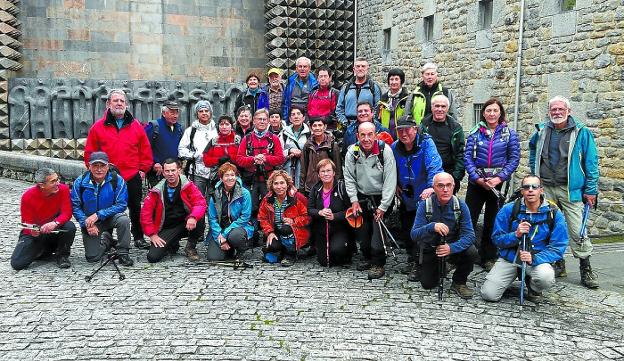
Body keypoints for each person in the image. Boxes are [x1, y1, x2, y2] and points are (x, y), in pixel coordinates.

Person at [529, 96, 600, 289]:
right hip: (546, 188)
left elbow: (591, 162)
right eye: (554, 110)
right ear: (549, 111)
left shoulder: (581, 133)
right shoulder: (542, 130)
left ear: (569, 111)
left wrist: (591, 189)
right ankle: (558, 263)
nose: (557, 113)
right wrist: (535, 175)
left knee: (577, 230)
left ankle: (585, 266)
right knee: (548, 227)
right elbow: (533, 150)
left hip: (570, 190)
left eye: (561, 109)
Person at [481, 175, 569, 302]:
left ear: (541, 190)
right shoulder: (508, 209)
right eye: (526, 187)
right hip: (510, 257)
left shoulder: (554, 213)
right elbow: (496, 239)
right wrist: (515, 235)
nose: (530, 190)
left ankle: (533, 287)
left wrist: (534, 258)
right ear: (522, 191)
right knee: (489, 294)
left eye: (535, 187)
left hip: (536, 259)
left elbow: (558, 247)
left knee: (546, 277)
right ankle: (511, 276)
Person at [84, 89, 153, 250]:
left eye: (122, 101)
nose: (119, 103)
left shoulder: (136, 126)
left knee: (135, 207)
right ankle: (107, 237)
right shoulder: (97, 127)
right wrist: (96, 172)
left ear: (127, 104)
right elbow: (89, 153)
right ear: (108, 104)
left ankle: (138, 236)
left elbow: (145, 149)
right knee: (106, 207)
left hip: (131, 174)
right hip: (108, 177)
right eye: (115, 101)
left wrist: (143, 169)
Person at [464, 98, 520, 272]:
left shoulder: (509, 134)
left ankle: (488, 256)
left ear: (500, 113)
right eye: (488, 110)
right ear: (483, 113)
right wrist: (477, 178)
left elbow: (514, 159)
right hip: (477, 182)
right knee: (469, 218)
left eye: (495, 110)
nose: (492, 114)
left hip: (497, 184)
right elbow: (467, 158)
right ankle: (466, 253)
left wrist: (499, 178)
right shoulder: (475, 133)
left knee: (492, 220)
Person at [392, 115, 443, 281]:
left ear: (416, 129)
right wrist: (395, 185)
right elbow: (390, 169)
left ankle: (420, 263)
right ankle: (412, 257)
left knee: (421, 230)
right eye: (400, 130)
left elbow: (434, 166)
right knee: (407, 228)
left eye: (407, 129)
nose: (404, 133)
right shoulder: (395, 147)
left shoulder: (426, 144)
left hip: (423, 196)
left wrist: (430, 187)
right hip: (406, 197)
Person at [410, 172, 477, 299]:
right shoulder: (425, 205)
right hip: (432, 247)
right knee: (428, 284)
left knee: (471, 251)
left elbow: (470, 236)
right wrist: (432, 226)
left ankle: (459, 281)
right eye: (440, 186)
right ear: (434, 188)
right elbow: (414, 234)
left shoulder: (461, 206)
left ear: (453, 186)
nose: (445, 189)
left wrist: (451, 248)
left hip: (452, 246)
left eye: (448, 185)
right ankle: (442, 266)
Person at [344, 122, 397, 279]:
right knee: (363, 233)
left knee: (377, 234)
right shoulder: (352, 152)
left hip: (381, 197)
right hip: (361, 196)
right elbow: (349, 177)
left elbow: (390, 180)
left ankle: (378, 263)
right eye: (363, 135)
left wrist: (383, 206)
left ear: (375, 134)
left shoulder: (385, 151)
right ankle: (367, 257)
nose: (366, 138)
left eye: (370, 134)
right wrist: (353, 200)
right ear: (357, 136)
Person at [71, 151, 134, 266]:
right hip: (89, 220)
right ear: (89, 166)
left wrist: (99, 214)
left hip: (111, 217)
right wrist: (86, 223)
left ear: (108, 166)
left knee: (124, 220)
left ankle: (123, 252)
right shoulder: (79, 182)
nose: (99, 169)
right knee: (92, 257)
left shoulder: (117, 180)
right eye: (95, 166)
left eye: (102, 166)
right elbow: (75, 207)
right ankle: (107, 240)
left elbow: (121, 205)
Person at [140, 159, 207, 263]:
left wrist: (193, 217)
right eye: (167, 171)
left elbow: (200, 203)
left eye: (173, 170)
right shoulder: (156, 191)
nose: (170, 174)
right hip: (167, 226)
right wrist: (152, 234)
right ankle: (172, 243)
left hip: (186, 222)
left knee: (199, 216)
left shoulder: (188, 186)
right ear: (163, 172)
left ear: (179, 170)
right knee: (153, 257)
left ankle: (191, 247)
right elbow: (145, 214)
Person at [11, 168, 76, 270]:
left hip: (55, 229)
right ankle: (44, 251)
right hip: (37, 233)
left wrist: (54, 223)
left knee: (69, 226)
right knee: (17, 264)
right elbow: (26, 223)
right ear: (42, 185)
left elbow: (67, 212)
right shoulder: (28, 196)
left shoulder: (63, 189)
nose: (57, 183)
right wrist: (34, 232)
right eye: (53, 181)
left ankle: (62, 255)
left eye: (57, 179)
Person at [236, 108, 286, 215]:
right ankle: (253, 229)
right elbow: (239, 160)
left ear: (268, 121)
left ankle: (268, 229)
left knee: (269, 206)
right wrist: (253, 159)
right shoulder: (247, 138)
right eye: (259, 119)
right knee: (250, 206)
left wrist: (265, 158)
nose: (262, 121)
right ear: (254, 121)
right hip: (250, 180)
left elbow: (280, 159)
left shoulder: (274, 138)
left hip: (268, 179)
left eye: (264, 119)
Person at [258, 170, 311, 266]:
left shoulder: (297, 198)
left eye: (282, 183)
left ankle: (291, 253)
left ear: (287, 184)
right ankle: (281, 250)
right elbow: (262, 218)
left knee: (286, 229)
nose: (279, 187)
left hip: (295, 231)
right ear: (272, 185)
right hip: (276, 231)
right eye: (276, 183)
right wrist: (269, 232)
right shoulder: (267, 199)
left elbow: (308, 216)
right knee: (272, 249)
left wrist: (294, 221)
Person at [308, 159, 353, 266]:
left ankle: (347, 250)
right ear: (318, 174)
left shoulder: (342, 187)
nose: (326, 174)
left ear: (334, 173)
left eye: (328, 171)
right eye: (322, 171)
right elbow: (309, 209)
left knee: (337, 251)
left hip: (339, 228)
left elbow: (351, 210)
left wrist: (335, 216)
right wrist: (320, 212)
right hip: (322, 229)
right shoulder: (315, 189)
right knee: (324, 262)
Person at [206, 163, 254, 261]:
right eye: (226, 175)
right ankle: (229, 249)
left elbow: (245, 217)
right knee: (214, 257)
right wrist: (219, 238)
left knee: (235, 236)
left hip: (240, 228)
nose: (230, 178)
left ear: (236, 177)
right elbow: (212, 218)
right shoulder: (215, 194)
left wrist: (225, 234)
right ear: (221, 178)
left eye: (232, 175)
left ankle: (240, 249)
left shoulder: (244, 193)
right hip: (221, 229)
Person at [420, 94, 465, 194]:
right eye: (437, 106)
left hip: (448, 175)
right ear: (431, 107)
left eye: (443, 106)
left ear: (447, 108)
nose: (440, 109)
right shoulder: (423, 126)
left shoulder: (455, 128)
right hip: (427, 175)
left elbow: (460, 154)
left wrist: (455, 177)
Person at [178, 100, 218, 197]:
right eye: (201, 111)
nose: (204, 113)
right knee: (196, 200)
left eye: (206, 110)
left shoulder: (218, 129)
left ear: (210, 113)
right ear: (197, 114)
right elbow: (181, 150)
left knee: (214, 202)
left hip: (215, 172)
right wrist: (194, 155)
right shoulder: (190, 131)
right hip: (197, 172)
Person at [144, 100, 184, 187]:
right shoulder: (154, 126)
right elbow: (143, 147)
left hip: (173, 172)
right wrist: (153, 163)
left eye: (177, 113)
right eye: (172, 113)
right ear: (164, 113)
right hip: (157, 172)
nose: (175, 116)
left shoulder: (179, 128)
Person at [299, 117, 343, 195]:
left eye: (320, 125)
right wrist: (302, 188)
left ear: (325, 127)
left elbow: (338, 168)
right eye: (315, 126)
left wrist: (337, 186)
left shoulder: (332, 145)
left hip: (329, 185)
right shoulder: (307, 145)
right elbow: (303, 168)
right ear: (310, 127)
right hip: (311, 186)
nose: (317, 128)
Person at [336, 57, 382, 128]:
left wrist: (372, 122)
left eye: (363, 66)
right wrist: (344, 123)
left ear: (367, 69)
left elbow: (378, 107)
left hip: (368, 126)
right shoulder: (345, 88)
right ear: (354, 69)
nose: (360, 68)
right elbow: (339, 108)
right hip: (349, 126)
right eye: (358, 66)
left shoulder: (374, 87)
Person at [202, 115, 241, 195]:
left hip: (235, 176)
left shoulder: (238, 140)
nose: (224, 127)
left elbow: (242, 157)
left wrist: (230, 158)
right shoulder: (214, 141)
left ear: (231, 126)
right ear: (218, 126)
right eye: (221, 124)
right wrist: (218, 160)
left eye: (227, 124)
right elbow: (206, 160)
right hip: (216, 177)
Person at [282, 105, 311, 189]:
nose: (296, 116)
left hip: (304, 171)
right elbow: (279, 153)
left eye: (298, 114)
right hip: (287, 171)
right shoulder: (284, 133)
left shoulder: (309, 134)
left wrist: (301, 153)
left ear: (303, 117)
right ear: (290, 119)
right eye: (293, 114)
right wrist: (289, 151)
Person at [282, 56, 318, 120]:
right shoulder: (290, 82)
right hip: (293, 116)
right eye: (300, 66)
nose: (302, 69)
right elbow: (285, 102)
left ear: (309, 68)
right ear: (296, 68)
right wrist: (285, 119)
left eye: (305, 66)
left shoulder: (315, 83)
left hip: (309, 117)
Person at [378, 68, 410, 139]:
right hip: (385, 136)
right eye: (391, 79)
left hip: (402, 135)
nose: (393, 82)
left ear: (401, 81)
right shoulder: (383, 99)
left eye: (396, 79)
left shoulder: (407, 98)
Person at [307, 66, 339, 130]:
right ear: (317, 79)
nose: (323, 78)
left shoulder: (334, 93)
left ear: (330, 78)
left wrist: (323, 121)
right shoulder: (313, 93)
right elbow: (308, 109)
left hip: (328, 128)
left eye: (325, 76)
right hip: (313, 127)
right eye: (320, 76)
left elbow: (335, 112)